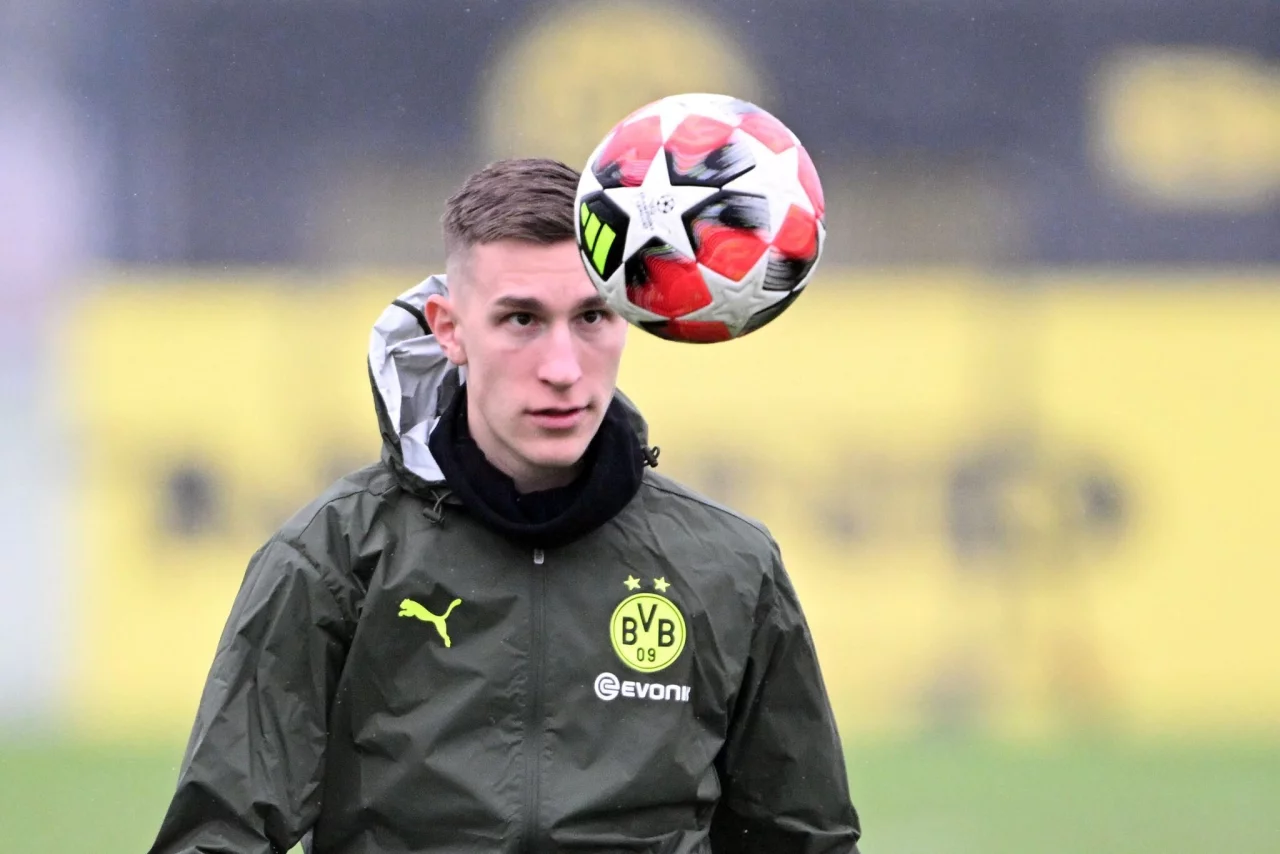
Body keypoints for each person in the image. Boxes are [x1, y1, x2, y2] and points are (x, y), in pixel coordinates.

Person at [147, 158, 861, 854]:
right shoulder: (331, 558)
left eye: (591, 316)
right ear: (450, 329)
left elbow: (805, 842)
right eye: (522, 319)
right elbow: (218, 837)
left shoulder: (729, 566)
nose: (562, 368)